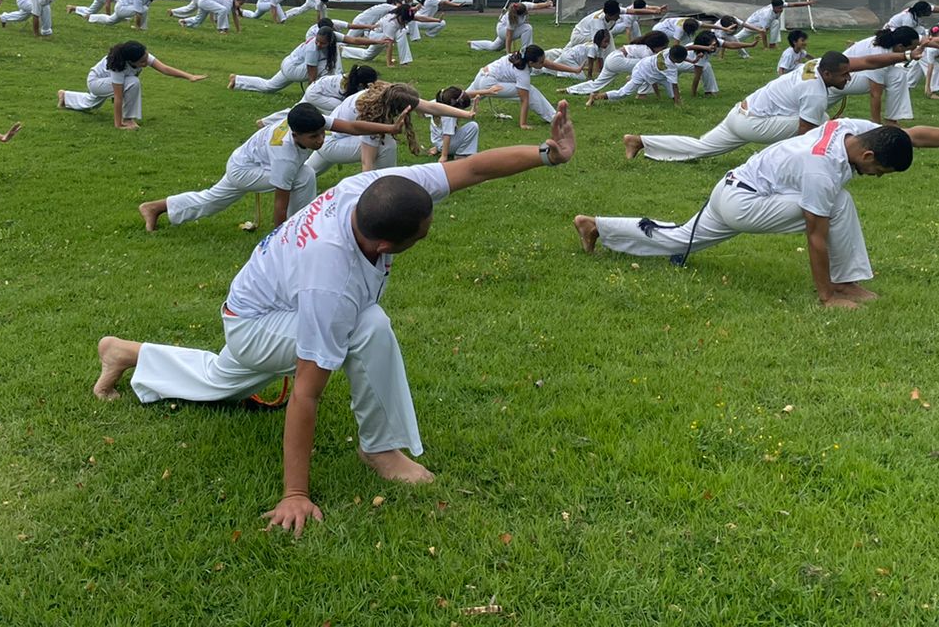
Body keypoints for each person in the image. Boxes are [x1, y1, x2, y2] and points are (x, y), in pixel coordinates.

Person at [93, 100, 578, 537]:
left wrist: (547, 152)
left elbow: (472, 168)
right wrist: (295, 494)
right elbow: (307, 390)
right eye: (423, 233)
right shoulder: (334, 281)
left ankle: (127, 353)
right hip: (257, 321)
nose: (429, 232)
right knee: (368, 328)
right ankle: (379, 448)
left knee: (224, 379)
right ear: (385, 244)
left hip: (256, 308)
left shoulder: (381, 189)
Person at [573, 102, 939, 308]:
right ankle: (843, 286)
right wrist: (826, 294)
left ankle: (598, 226)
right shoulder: (822, 171)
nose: (878, 179)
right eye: (881, 173)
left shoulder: (852, 129)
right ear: (868, 157)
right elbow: (816, 237)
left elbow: (914, 135)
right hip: (743, 201)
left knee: (680, 240)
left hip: (732, 190)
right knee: (838, 205)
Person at [625, 49, 908, 162]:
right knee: (824, 126)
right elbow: (804, 135)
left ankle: (640, 141)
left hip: (742, 112)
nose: (849, 78)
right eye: (845, 75)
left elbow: (869, 61)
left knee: (701, 148)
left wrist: (905, 54)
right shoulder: (815, 92)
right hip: (753, 123)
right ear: (828, 74)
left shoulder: (816, 64)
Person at [139, 104, 345, 233]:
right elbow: (280, 203)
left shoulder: (304, 120)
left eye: (321, 134)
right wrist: (278, 239)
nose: (320, 140)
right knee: (304, 175)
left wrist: (379, 128)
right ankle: (297, 230)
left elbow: (351, 127)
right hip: (245, 170)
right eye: (314, 137)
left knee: (212, 201)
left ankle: (155, 207)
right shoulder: (286, 156)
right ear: (296, 135)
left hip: (244, 163)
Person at [59, 41, 206, 128]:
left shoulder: (141, 54)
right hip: (95, 82)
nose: (145, 63)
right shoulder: (118, 66)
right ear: (130, 61)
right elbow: (118, 97)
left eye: (146, 57)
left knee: (93, 104)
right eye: (142, 62)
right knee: (133, 82)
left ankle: (65, 97)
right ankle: (128, 119)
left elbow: (165, 69)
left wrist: (189, 76)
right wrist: (119, 124)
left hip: (105, 83)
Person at [303, 83, 431, 176]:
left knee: (305, 175)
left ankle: (294, 179)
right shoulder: (373, 114)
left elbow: (430, 106)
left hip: (330, 138)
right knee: (386, 143)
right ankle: (386, 183)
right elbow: (367, 162)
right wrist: (366, 188)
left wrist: (452, 112)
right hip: (330, 142)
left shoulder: (382, 94)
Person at [467, 45, 581, 127]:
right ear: (531, 63)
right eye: (540, 62)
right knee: (530, 91)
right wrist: (523, 124)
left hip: (481, 75)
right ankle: (555, 118)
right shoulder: (523, 72)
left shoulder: (523, 56)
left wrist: (574, 70)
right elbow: (524, 99)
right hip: (489, 83)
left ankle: (450, 106)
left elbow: (548, 64)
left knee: (463, 98)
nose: (543, 63)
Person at [231, 23, 341, 95]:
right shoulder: (312, 49)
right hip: (293, 69)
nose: (318, 44)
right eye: (317, 41)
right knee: (327, 67)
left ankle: (237, 80)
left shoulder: (334, 38)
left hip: (288, 64)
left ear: (331, 40)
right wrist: (311, 94)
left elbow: (353, 40)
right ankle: (329, 91)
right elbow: (312, 74)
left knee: (269, 86)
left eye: (322, 43)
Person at [843, 27, 923, 125]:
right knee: (893, 77)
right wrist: (876, 125)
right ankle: (876, 124)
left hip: (853, 75)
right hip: (844, 80)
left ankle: (891, 120)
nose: (914, 51)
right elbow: (875, 94)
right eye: (911, 49)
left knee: (898, 74)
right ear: (900, 46)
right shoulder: (880, 52)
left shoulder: (889, 41)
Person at [585, 43, 697, 109]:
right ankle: (595, 96)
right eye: (681, 60)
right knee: (624, 93)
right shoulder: (670, 68)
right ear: (676, 59)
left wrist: (692, 60)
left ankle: (677, 102)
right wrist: (678, 102)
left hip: (648, 67)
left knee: (670, 90)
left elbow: (683, 52)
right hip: (642, 72)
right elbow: (675, 86)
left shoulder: (669, 51)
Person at [0, 0, 91, 37]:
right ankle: (46, 31)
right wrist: (36, 34)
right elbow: (36, 17)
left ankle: (4, 17)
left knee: (23, 16)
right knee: (44, 8)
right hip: (23, 0)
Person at [734, 0, 815, 56]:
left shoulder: (778, 7)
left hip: (761, 25)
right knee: (735, 39)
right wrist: (765, 47)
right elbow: (763, 32)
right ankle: (723, 41)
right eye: (780, 8)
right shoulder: (766, 15)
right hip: (751, 26)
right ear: (774, 7)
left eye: (782, 7)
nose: (781, 9)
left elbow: (793, 4)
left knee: (775, 22)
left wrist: (807, 3)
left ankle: (772, 44)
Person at [469, 0, 554, 52]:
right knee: (527, 28)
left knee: (494, 47)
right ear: (519, 14)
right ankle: (526, 50)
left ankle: (473, 44)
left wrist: (547, 4)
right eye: (525, 14)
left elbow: (537, 6)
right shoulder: (512, 18)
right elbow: (508, 37)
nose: (527, 13)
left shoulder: (524, 5)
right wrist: (508, 53)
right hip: (503, 31)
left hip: (502, 28)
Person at [545, 30, 611, 82]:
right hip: (569, 57)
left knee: (550, 68)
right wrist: (589, 77)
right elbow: (591, 63)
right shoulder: (593, 48)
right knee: (581, 78)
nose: (607, 44)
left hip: (568, 56)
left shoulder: (600, 49)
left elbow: (600, 61)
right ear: (599, 40)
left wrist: (603, 75)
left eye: (608, 42)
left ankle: (539, 70)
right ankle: (561, 73)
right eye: (605, 42)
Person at [181, 0, 246, 33]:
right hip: (205, 0)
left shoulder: (231, 3)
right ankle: (222, 29)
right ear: (235, 0)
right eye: (240, 3)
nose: (240, 6)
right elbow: (224, 15)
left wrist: (238, 30)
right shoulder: (229, 1)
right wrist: (225, 27)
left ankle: (184, 21)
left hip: (204, 1)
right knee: (223, 10)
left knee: (199, 20)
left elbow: (235, 18)